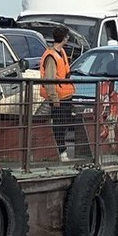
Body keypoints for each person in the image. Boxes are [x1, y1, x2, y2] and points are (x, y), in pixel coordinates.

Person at [39, 26, 77, 162]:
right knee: (59, 125)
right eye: (67, 36)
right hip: (59, 97)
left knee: (64, 124)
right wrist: (54, 97)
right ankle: (61, 152)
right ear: (64, 38)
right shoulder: (51, 56)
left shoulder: (60, 53)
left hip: (65, 95)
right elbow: (49, 79)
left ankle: (62, 151)